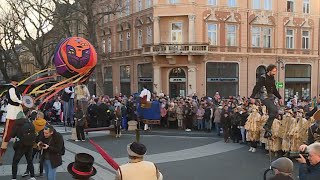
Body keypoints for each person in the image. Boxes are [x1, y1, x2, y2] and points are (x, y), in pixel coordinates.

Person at [250, 64, 283, 138]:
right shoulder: (263, 78)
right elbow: (257, 87)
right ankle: (267, 126)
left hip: (270, 96)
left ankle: (267, 130)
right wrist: (252, 97)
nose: (275, 73)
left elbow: (274, 89)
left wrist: (280, 98)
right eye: (274, 71)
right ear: (269, 70)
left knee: (274, 112)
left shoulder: (272, 78)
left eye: (275, 71)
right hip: (264, 97)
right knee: (274, 110)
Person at [0, 75, 23, 165]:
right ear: (13, 81)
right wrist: (22, 102)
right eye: (16, 81)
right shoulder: (11, 89)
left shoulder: (15, 89)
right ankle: (0, 155)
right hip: (12, 113)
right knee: (7, 135)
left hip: (18, 112)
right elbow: (14, 98)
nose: (17, 82)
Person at [23, 111, 47, 178]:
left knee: (30, 158)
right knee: (41, 159)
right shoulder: (46, 124)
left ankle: (27, 171)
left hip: (33, 143)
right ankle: (41, 173)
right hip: (42, 143)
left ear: (38, 116)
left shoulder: (33, 123)